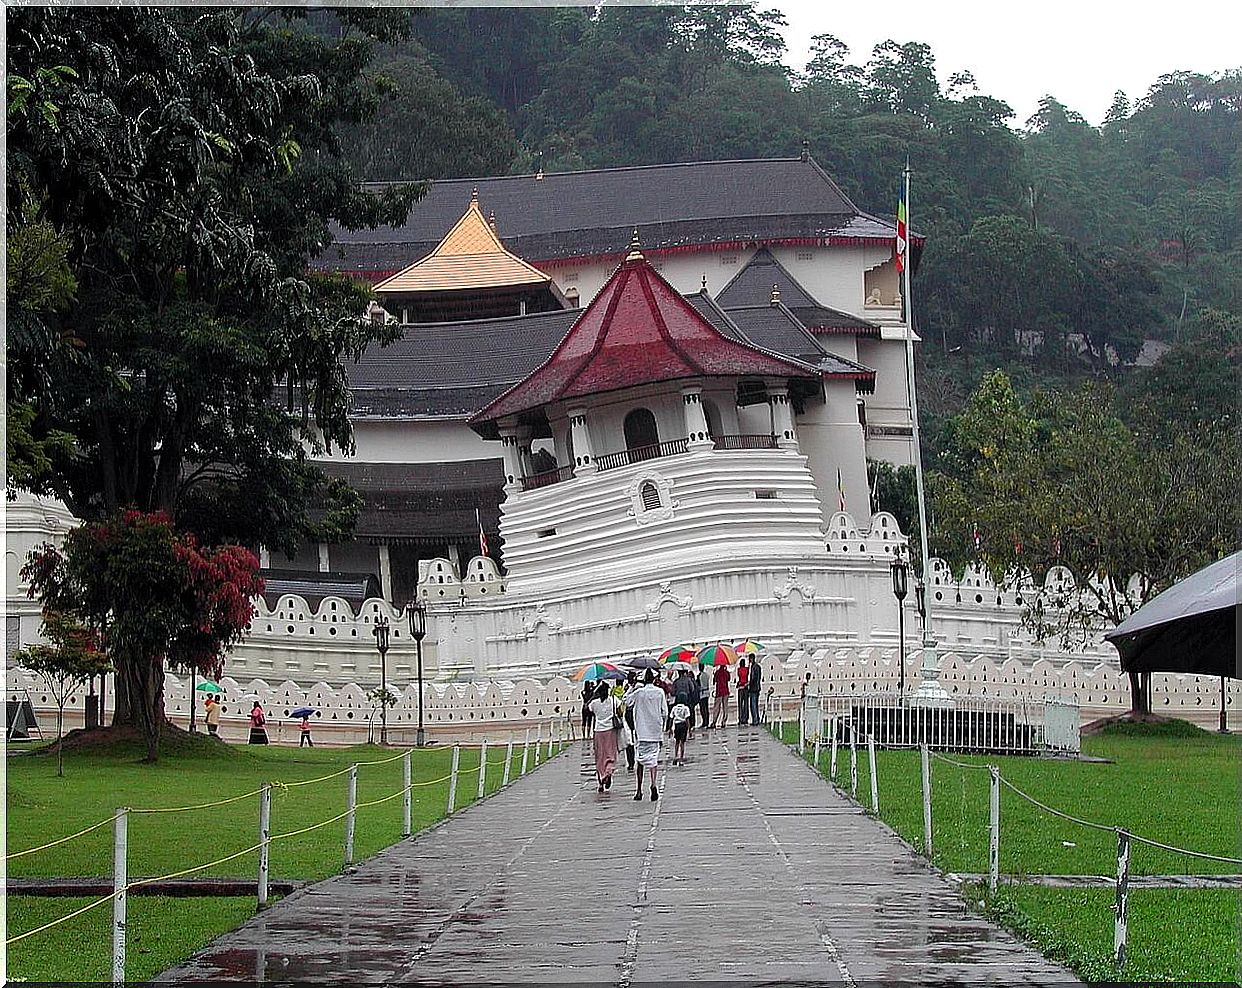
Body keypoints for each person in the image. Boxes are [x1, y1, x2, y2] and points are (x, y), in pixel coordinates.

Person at [629, 669, 667, 801]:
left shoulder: (639, 693)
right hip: (655, 731)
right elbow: (665, 713)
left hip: (641, 732)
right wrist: (662, 727)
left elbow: (627, 702)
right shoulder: (660, 692)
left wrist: (632, 686)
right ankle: (653, 783)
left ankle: (639, 789)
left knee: (640, 761)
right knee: (653, 760)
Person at [588, 680, 621, 792]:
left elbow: (587, 709)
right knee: (610, 754)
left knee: (599, 756)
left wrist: (593, 695)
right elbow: (620, 709)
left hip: (598, 731)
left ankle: (601, 780)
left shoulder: (595, 703)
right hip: (610, 730)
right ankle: (608, 772)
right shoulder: (613, 700)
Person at [669, 697, 691, 765]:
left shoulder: (674, 708)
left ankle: (675, 756)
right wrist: (689, 729)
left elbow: (671, 718)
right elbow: (687, 719)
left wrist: (670, 729)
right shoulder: (686, 708)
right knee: (682, 742)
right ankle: (681, 757)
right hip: (683, 725)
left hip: (676, 725)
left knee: (677, 742)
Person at [710, 663, 730, 728]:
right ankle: (723, 722)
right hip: (726, 691)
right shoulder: (726, 672)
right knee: (725, 707)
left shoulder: (717, 672)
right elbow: (728, 679)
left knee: (716, 708)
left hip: (719, 691)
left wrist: (714, 674)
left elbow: (714, 681)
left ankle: (714, 722)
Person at [747, 657, 763, 726]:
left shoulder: (754, 667)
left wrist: (749, 684)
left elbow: (753, 678)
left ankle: (755, 720)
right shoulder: (758, 666)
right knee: (756, 704)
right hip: (757, 687)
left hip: (753, 688)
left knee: (753, 705)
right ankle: (757, 719)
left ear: (751, 659)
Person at [697, 663, 711, 729]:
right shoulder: (707, 675)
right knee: (706, 708)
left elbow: (698, 685)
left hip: (702, 693)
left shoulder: (699, 676)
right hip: (707, 692)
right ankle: (707, 721)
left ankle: (704, 722)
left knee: (702, 708)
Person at [736, 658, 750, 725]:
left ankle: (740, 718)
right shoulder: (747, 669)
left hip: (740, 687)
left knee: (740, 704)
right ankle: (746, 718)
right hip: (746, 687)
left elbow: (739, 676)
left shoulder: (739, 670)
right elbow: (747, 675)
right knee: (746, 703)